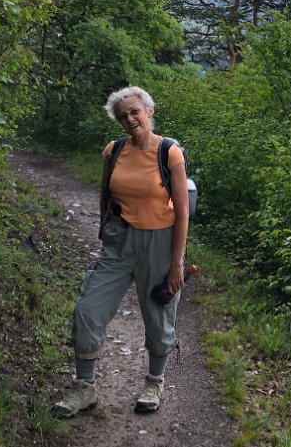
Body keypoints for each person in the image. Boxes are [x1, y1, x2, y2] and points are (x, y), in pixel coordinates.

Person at [53, 85, 189, 416]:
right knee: (87, 310)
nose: (129, 119)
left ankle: (154, 382)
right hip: (119, 243)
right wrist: (107, 231)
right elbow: (105, 193)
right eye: (122, 116)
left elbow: (183, 212)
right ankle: (85, 389)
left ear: (148, 111)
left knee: (158, 317)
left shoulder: (169, 153)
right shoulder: (113, 151)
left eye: (134, 112)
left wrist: (176, 264)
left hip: (159, 243)